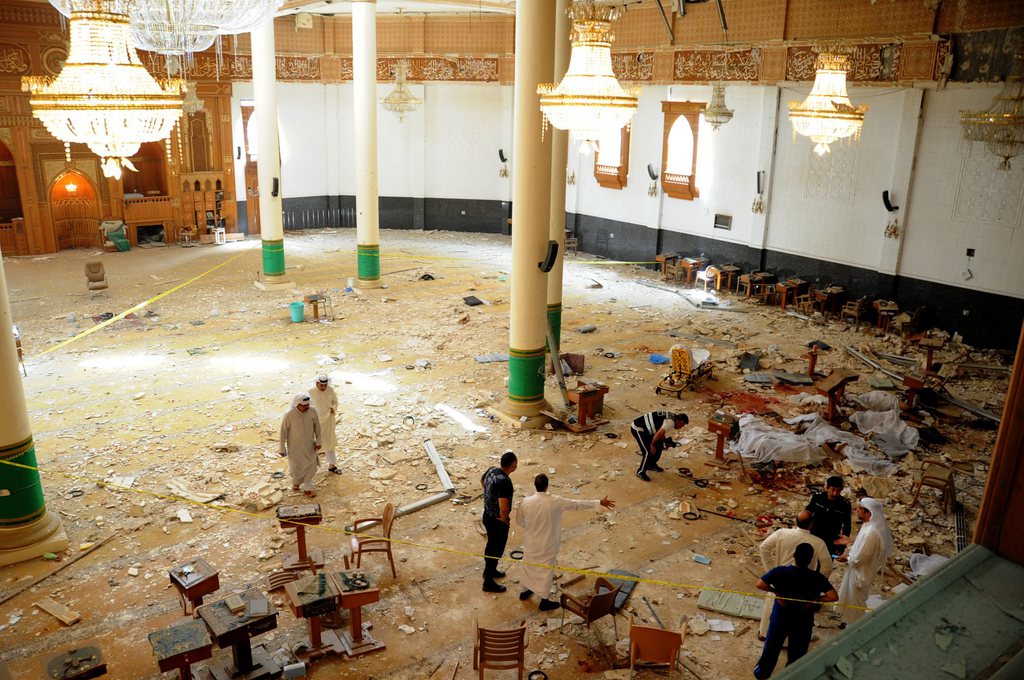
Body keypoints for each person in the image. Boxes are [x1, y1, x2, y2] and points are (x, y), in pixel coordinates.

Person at [515, 474, 614, 611]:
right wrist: (599, 503)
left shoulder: (525, 502)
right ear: (547, 486)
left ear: (535, 486)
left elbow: (519, 522)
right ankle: (544, 601)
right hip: (548, 544)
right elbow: (577, 505)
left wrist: (533, 527)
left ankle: (524, 591)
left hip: (531, 543)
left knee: (529, 567)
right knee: (546, 572)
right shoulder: (556, 501)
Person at [753, 543, 838, 679]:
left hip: (781, 616)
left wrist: (777, 592)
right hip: (802, 620)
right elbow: (833, 596)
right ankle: (793, 675)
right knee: (798, 651)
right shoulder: (816, 577)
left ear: (794, 556)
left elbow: (760, 584)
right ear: (811, 560)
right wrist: (815, 599)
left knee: (772, 646)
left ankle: (763, 673)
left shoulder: (780, 571)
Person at [757, 510, 833, 640]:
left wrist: (772, 570)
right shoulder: (818, 542)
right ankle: (789, 641)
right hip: (804, 581)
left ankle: (764, 633)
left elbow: (764, 548)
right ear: (811, 524)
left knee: (773, 603)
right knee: (798, 611)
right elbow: (827, 566)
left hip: (781, 577)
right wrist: (816, 582)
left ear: (795, 521)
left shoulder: (782, 533)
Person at [836, 497, 892, 621]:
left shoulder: (871, 532)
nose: (857, 510)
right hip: (856, 570)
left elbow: (862, 556)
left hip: (860, 575)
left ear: (868, 513)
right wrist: (851, 541)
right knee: (849, 602)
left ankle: (854, 628)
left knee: (855, 606)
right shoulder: (868, 526)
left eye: (860, 509)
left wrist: (847, 558)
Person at [480, 450, 517, 593]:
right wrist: (505, 520)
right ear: (513, 465)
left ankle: (490, 571)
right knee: (495, 549)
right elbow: (503, 507)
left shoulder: (492, 470)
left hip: (487, 515)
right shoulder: (505, 482)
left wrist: (490, 496)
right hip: (497, 522)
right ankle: (488, 582)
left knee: (491, 546)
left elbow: (482, 481)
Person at [279, 393, 321, 497]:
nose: (307, 407)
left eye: (308, 405)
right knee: (296, 467)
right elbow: (283, 432)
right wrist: (282, 447)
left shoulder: (312, 411)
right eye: (304, 405)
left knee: (310, 466)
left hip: (309, 446)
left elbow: (318, 427)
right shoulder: (289, 415)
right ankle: (296, 483)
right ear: (297, 404)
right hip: (294, 448)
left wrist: (319, 441)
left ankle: (307, 488)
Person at [630, 411, 688, 481]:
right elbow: (658, 434)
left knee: (659, 445)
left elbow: (660, 432)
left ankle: (651, 464)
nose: (680, 427)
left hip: (648, 430)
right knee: (648, 451)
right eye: (681, 424)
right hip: (638, 428)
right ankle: (640, 472)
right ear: (678, 420)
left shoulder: (672, 418)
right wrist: (652, 444)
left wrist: (664, 441)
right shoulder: (671, 422)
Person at [806, 476, 852, 556]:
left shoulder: (845, 504)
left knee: (826, 564)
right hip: (814, 535)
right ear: (827, 488)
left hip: (832, 539)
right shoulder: (817, 498)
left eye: (838, 491)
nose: (835, 493)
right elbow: (807, 514)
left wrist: (841, 546)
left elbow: (847, 526)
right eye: (833, 489)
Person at [308, 374, 341, 474]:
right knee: (315, 444)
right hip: (316, 422)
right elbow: (306, 408)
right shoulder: (310, 392)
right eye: (321, 385)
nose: (323, 388)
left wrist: (333, 408)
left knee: (330, 442)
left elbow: (335, 401)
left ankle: (332, 465)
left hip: (329, 421)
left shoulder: (330, 390)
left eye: (325, 385)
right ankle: (310, 467)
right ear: (317, 383)